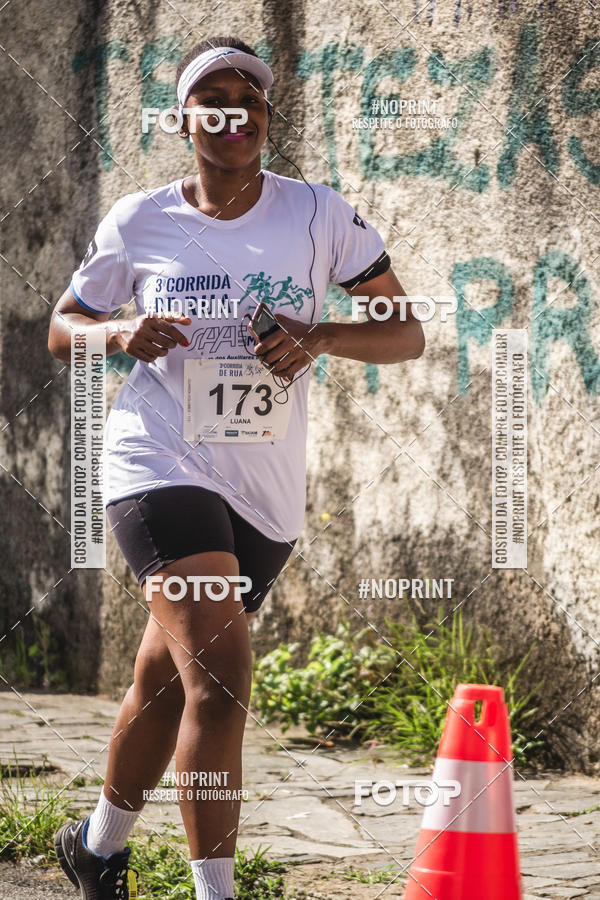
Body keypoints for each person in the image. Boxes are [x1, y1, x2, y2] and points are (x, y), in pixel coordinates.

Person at [48, 35, 425, 900]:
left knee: (165, 683)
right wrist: (119, 333)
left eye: (248, 99)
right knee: (220, 686)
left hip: (263, 492)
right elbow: (63, 329)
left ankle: (98, 848)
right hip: (158, 464)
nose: (233, 113)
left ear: (265, 118)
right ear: (185, 120)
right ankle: (215, 894)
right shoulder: (140, 220)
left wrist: (319, 337)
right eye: (211, 99)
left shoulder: (318, 214)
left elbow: (404, 331)